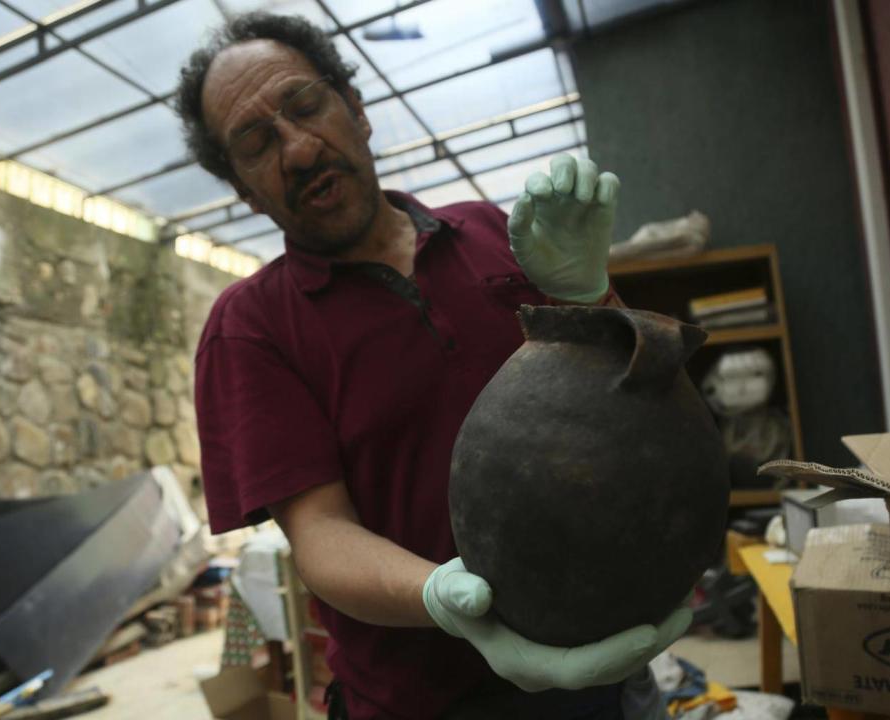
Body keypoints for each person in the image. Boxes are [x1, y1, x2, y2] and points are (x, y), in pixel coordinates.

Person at [175, 12, 691, 720]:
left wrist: (590, 294)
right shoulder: (252, 326)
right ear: (243, 190)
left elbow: (631, 402)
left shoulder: (488, 231)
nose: (297, 149)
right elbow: (319, 532)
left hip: (606, 666)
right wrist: (449, 602)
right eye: (258, 143)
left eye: (305, 106)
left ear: (355, 110)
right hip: (421, 701)